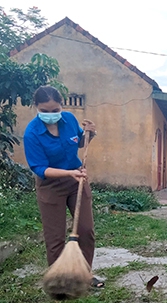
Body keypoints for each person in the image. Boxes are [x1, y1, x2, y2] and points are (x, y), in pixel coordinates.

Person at [23, 85, 103, 288]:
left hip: (77, 182)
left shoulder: (69, 120)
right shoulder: (32, 133)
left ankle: (84, 276)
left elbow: (79, 143)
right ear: (36, 108)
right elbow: (40, 168)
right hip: (50, 186)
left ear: (61, 106)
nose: (51, 115)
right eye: (45, 111)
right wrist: (69, 173)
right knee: (55, 237)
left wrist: (90, 133)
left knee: (85, 230)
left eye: (55, 110)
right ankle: (60, 283)